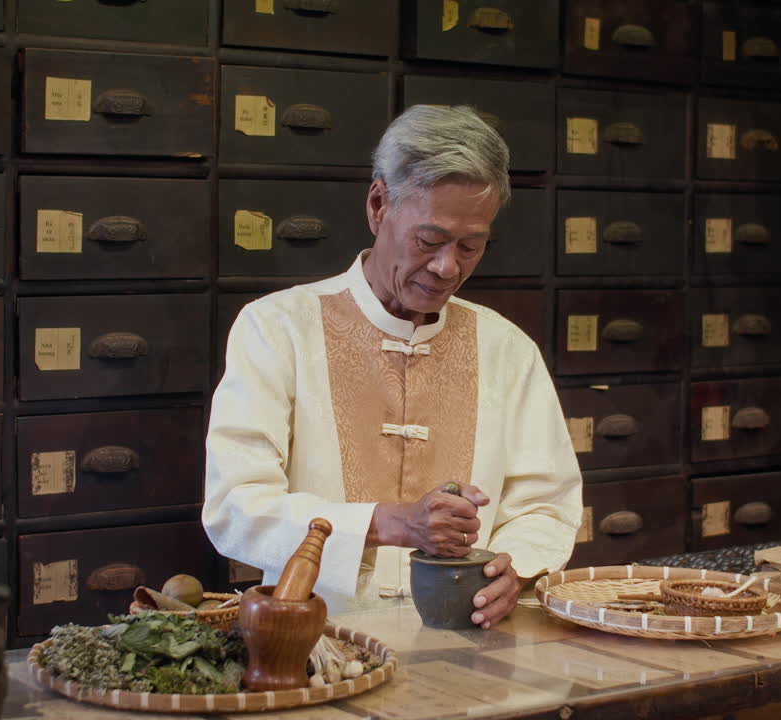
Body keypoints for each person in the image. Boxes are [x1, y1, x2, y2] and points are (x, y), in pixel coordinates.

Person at [202, 105, 582, 629]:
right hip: (316, 636)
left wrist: (510, 569)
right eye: (429, 241)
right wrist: (386, 523)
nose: (448, 267)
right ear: (379, 205)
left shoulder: (506, 348)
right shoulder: (277, 328)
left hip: (470, 643)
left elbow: (546, 503)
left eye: (471, 246)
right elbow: (236, 505)